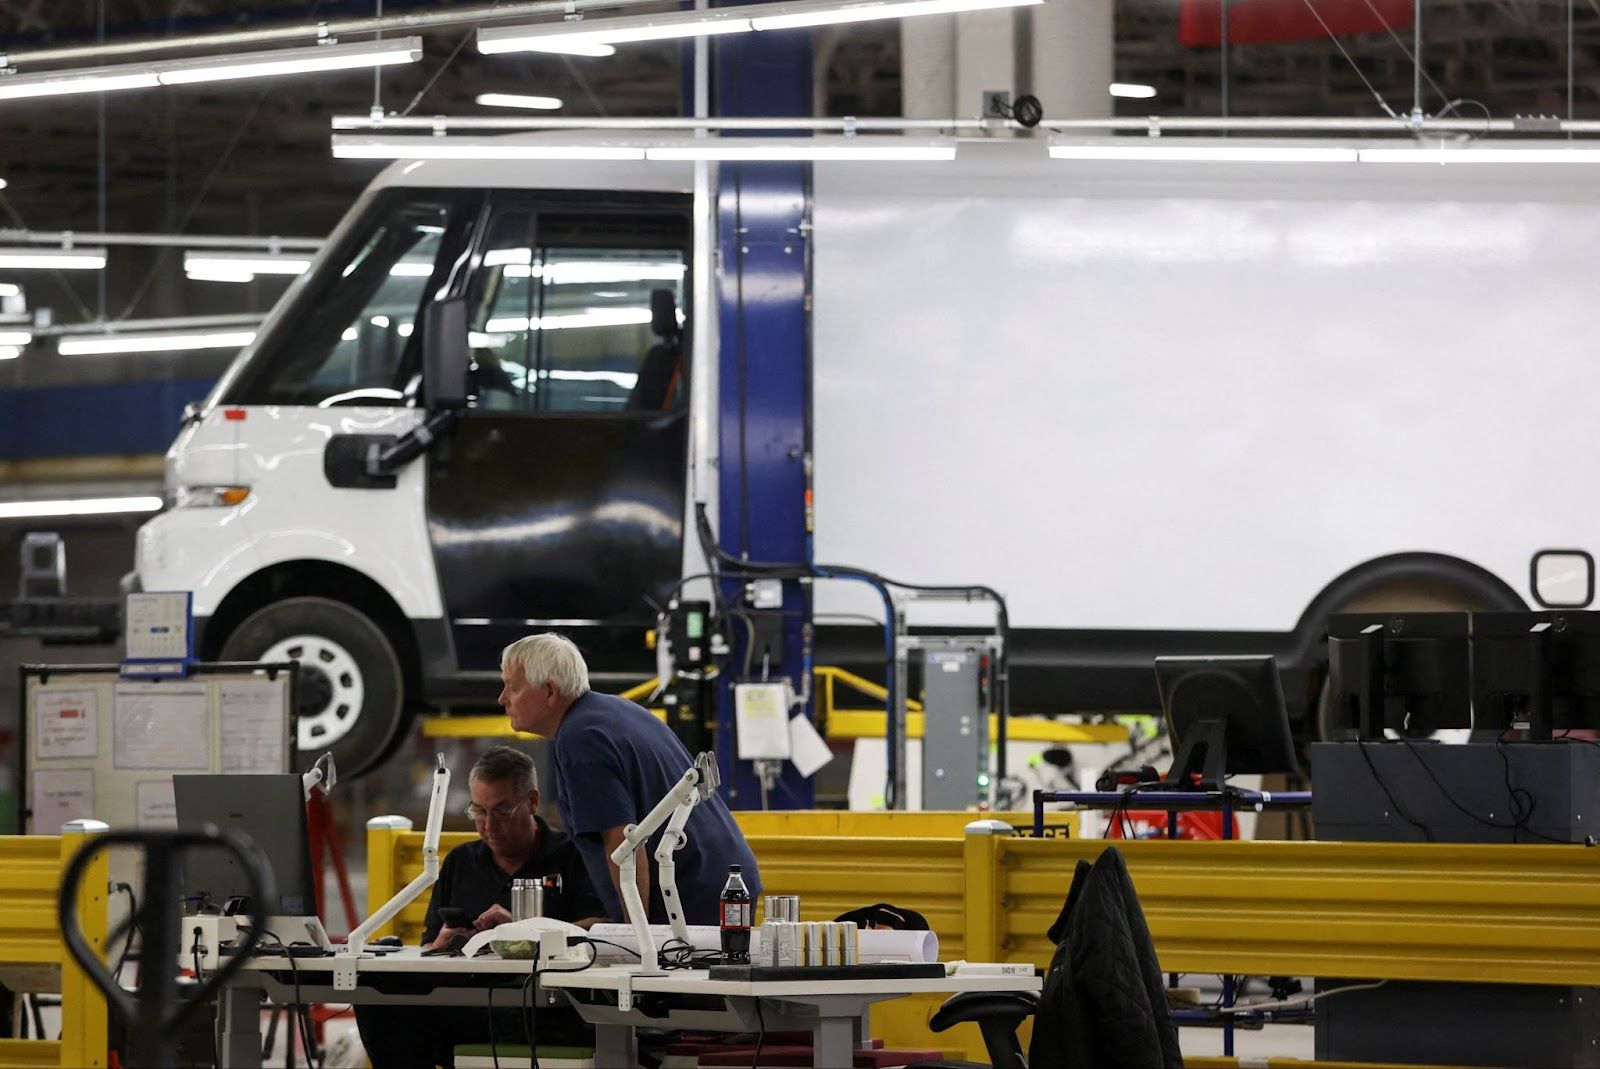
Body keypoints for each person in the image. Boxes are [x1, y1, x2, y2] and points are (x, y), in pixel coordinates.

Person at [355, 746, 607, 1069]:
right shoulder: (460, 862)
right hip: (468, 1004)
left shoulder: (572, 856)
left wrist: (523, 930)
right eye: (478, 811)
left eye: (502, 812)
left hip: (549, 1008)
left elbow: (602, 928)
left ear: (532, 801)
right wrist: (442, 944)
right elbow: (429, 946)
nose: (489, 825)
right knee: (372, 992)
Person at [498, 632, 763, 929]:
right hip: (726, 878)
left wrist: (635, 933)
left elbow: (625, 843)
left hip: (690, 891)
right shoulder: (613, 711)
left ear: (549, 691)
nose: (503, 698)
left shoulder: (580, 739)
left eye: (513, 688)